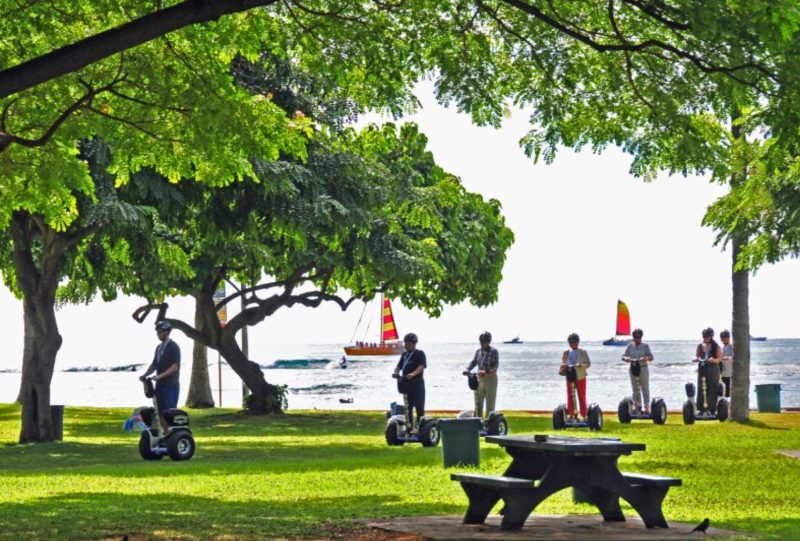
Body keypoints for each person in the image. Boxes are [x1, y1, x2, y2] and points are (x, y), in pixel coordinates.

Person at [139, 320, 181, 429]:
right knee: (160, 412)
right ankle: (166, 436)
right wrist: (145, 375)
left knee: (170, 412)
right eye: (157, 333)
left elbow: (175, 366)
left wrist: (160, 376)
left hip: (170, 385)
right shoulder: (159, 348)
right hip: (160, 386)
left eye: (160, 332)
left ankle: (173, 436)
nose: (158, 335)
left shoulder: (173, 347)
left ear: (167, 332)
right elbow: (154, 364)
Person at [393, 332, 426, 432]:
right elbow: (398, 366)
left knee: (419, 407)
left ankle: (421, 428)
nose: (406, 345)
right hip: (406, 384)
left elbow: (421, 367)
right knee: (408, 407)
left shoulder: (420, 354)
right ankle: (409, 427)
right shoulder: (404, 355)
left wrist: (413, 374)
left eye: (408, 343)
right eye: (405, 343)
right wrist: (396, 372)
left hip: (417, 384)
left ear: (413, 343)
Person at [465, 331, 499, 418]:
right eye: (481, 342)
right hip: (479, 379)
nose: (482, 344)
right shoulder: (478, 351)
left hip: (490, 379)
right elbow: (474, 362)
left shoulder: (494, 351)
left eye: (484, 342)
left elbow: (495, 366)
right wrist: (467, 369)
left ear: (489, 342)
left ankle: (489, 423)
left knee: (490, 404)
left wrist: (486, 371)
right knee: (478, 403)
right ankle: (478, 422)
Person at [622, 328, 654, 414]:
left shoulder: (645, 346)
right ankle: (637, 406)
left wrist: (645, 358)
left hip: (643, 368)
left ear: (641, 337)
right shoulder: (630, 346)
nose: (637, 339)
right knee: (635, 388)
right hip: (633, 368)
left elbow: (651, 357)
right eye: (635, 337)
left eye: (639, 337)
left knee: (645, 388)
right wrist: (627, 358)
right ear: (633, 337)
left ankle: (647, 406)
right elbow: (623, 356)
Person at [560, 333, 591, 420]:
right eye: (570, 342)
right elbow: (563, 362)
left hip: (580, 376)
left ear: (578, 342)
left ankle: (584, 415)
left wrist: (580, 365)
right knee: (570, 396)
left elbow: (588, 364)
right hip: (569, 375)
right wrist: (564, 365)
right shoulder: (566, 353)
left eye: (574, 342)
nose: (572, 344)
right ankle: (571, 414)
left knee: (581, 395)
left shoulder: (582, 352)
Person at [693, 327, 722, 413]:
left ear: (711, 337)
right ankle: (701, 408)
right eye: (704, 336)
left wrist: (714, 360)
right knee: (701, 387)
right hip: (702, 368)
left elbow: (720, 358)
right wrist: (695, 359)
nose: (705, 338)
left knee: (712, 387)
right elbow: (696, 356)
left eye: (706, 336)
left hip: (713, 369)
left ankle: (712, 409)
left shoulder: (716, 346)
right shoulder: (700, 346)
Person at [720, 329, 733, 398]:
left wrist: (727, 358)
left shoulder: (732, 346)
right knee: (723, 389)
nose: (723, 339)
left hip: (730, 372)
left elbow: (735, 358)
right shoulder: (722, 347)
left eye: (725, 337)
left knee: (729, 389)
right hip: (723, 372)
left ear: (728, 337)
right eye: (722, 338)